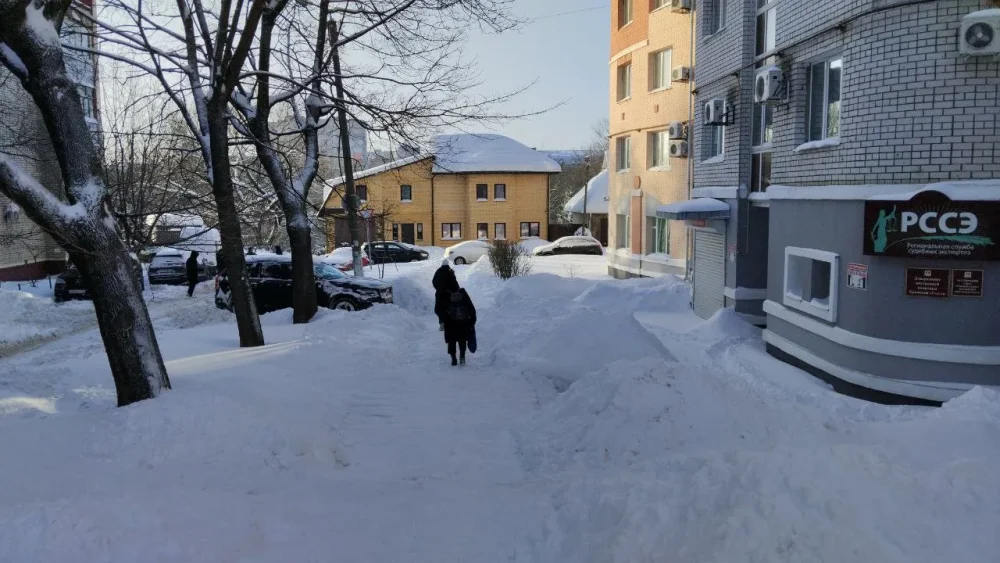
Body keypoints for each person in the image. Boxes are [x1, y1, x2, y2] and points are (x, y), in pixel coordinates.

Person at [441, 284, 476, 366]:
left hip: (450, 322)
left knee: (451, 341)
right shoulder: (463, 293)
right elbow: (470, 306)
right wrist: (472, 319)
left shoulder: (445, 294)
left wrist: (443, 320)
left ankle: (453, 359)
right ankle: (462, 357)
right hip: (463, 321)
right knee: (462, 340)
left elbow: (441, 309)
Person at [433, 258, 458, 331]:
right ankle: (449, 324)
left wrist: (438, 289)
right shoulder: (451, 272)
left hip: (440, 295)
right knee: (449, 309)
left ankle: (442, 323)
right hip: (449, 295)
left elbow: (434, 282)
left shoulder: (438, 271)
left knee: (439, 309)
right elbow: (455, 284)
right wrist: (456, 291)